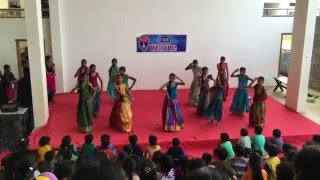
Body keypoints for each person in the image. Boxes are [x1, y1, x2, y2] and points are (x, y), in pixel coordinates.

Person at [17, 67, 34, 133]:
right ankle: (30, 128)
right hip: (30, 99)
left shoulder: (20, 81)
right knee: (31, 115)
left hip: (23, 100)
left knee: (24, 115)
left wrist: (19, 101)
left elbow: (18, 93)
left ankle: (24, 128)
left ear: (24, 72)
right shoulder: (32, 80)